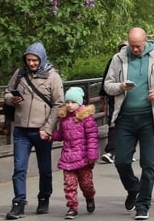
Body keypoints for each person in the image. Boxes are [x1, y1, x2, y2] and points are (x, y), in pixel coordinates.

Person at [103, 27, 154, 221]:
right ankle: (133, 188)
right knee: (121, 161)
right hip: (125, 118)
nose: (135, 49)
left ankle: (143, 205)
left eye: (138, 46)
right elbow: (107, 85)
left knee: (149, 163)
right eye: (132, 45)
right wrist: (120, 86)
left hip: (150, 118)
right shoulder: (118, 59)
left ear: (145, 41)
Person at [4, 42, 64, 219]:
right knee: (19, 168)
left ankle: (44, 196)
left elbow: (59, 104)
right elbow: (7, 92)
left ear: (42, 59)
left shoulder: (53, 77)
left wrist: (47, 128)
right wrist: (10, 100)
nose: (31, 63)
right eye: (28, 60)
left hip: (41, 131)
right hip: (21, 129)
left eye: (34, 60)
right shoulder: (20, 73)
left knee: (44, 168)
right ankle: (19, 202)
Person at [52, 87, 97, 219]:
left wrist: (92, 154)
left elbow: (92, 137)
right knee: (69, 184)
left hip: (83, 158)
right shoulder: (64, 118)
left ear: (79, 102)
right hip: (68, 157)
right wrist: (50, 136)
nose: (69, 105)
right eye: (67, 102)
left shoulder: (86, 118)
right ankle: (72, 207)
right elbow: (61, 135)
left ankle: (89, 197)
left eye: (73, 102)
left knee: (86, 184)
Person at [99, 41, 127, 165]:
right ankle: (111, 151)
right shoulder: (114, 60)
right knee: (114, 124)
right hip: (115, 97)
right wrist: (103, 96)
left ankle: (125, 151)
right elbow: (106, 80)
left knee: (125, 125)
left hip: (129, 98)